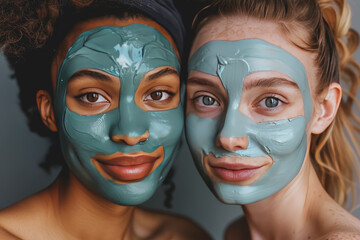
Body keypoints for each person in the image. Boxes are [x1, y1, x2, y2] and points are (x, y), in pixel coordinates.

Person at [0, 0, 211, 239]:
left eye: (157, 94)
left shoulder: (184, 236)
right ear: (49, 111)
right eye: (93, 96)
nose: (130, 134)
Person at [185, 0, 360, 239]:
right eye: (207, 99)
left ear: (324, 109)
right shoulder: (236, 234)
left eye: (270, 102)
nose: (228, 137)